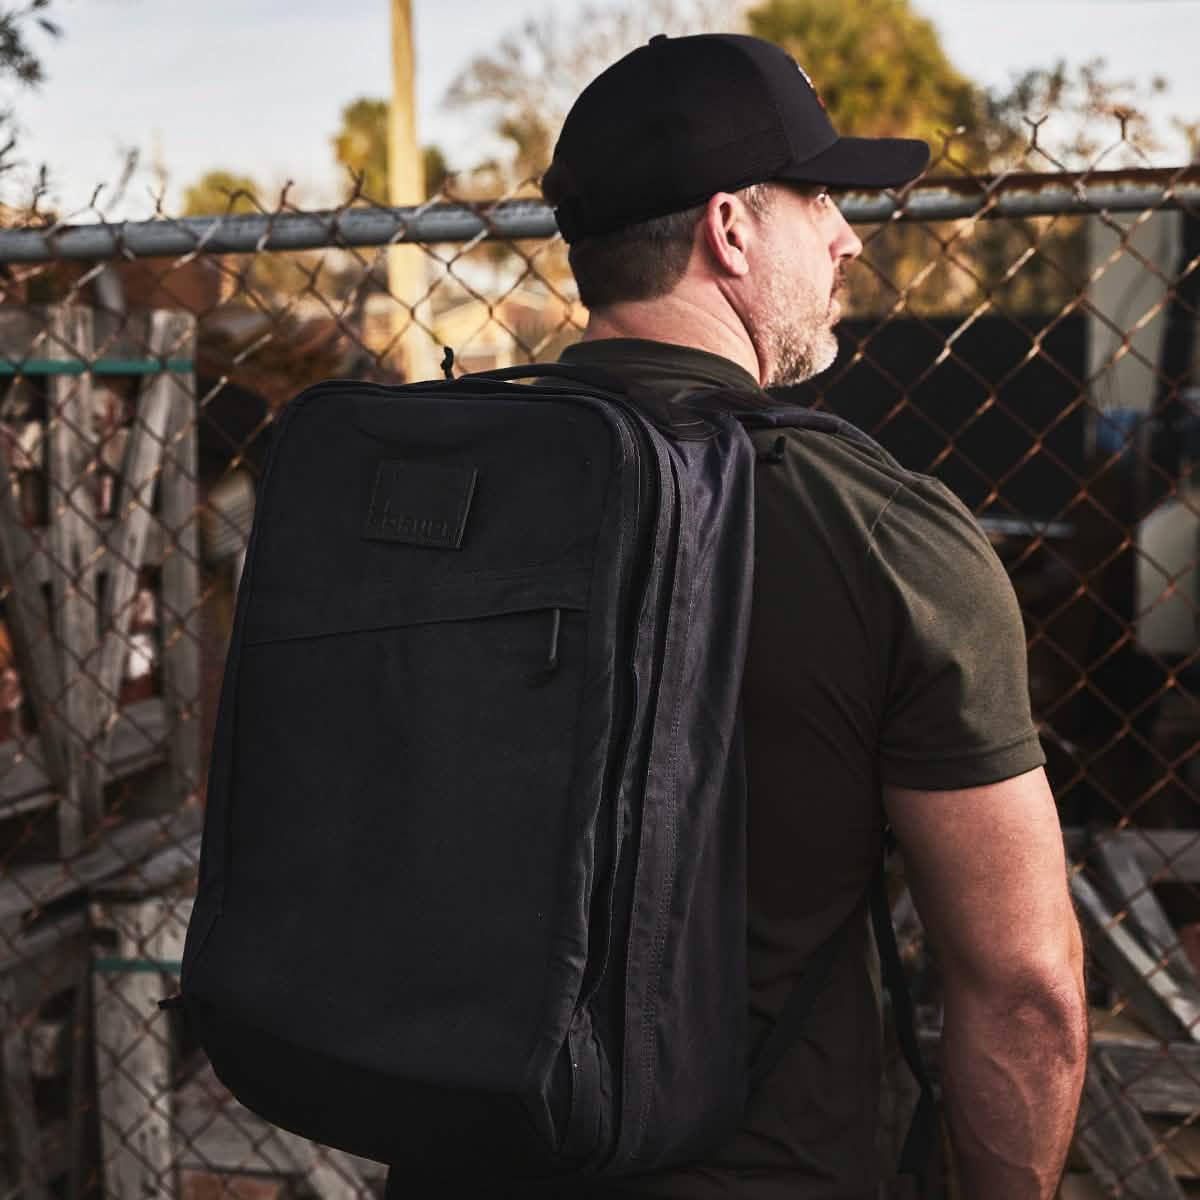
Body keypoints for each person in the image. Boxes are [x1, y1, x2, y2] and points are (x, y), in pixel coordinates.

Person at [537, 31, 1088, 1200]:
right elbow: (1025, 995)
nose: (846, 238)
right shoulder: (883, 535)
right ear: (731, 229)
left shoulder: (428, 481)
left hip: (457, 1153)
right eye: (822, 197)